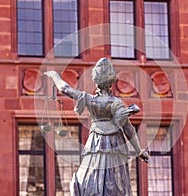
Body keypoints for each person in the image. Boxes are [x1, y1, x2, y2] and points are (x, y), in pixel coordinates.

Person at [44, 57, 149, 196]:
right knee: (116, 181)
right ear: (111, 81)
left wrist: (54, 76)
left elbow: (64, 88)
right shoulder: (116, 103)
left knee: (90, 176)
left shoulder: (89, 99)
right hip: (115, 142)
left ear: (96, 79)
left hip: (96, 141)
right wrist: (139, 150)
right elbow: (127, 128)